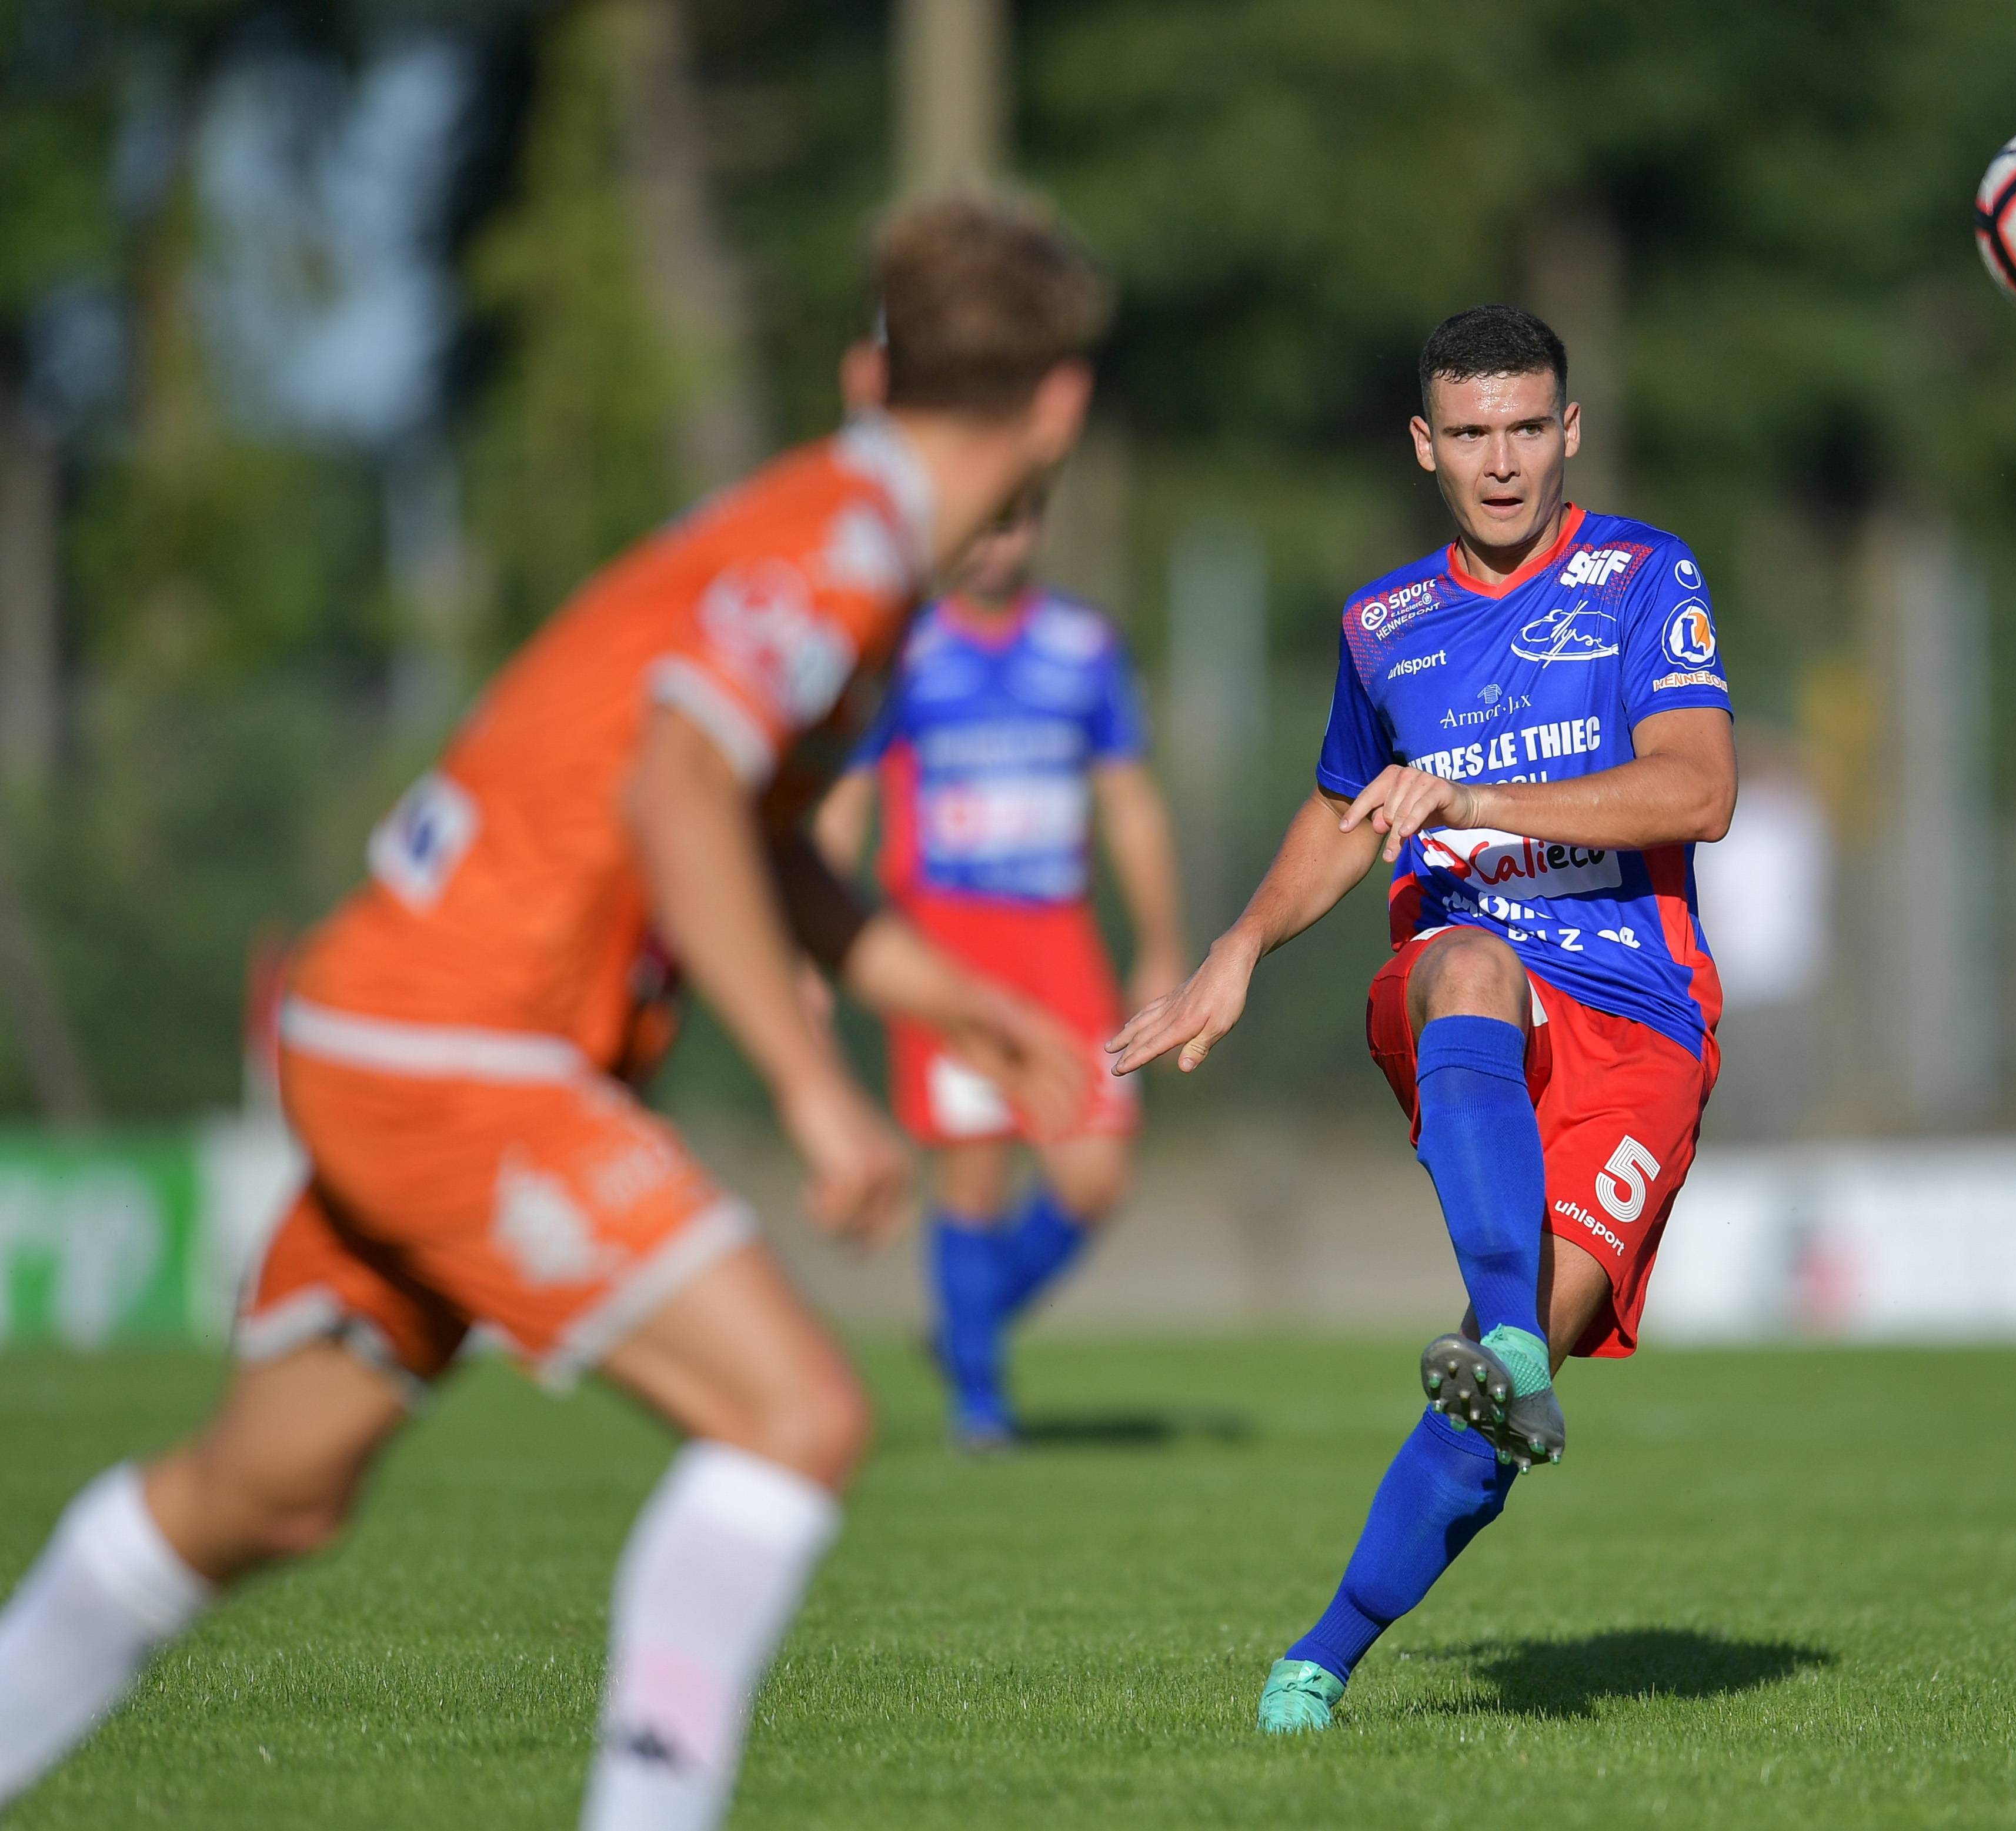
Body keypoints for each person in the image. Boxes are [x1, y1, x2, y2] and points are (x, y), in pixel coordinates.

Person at [0, 198, 1107, 1829]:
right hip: (463, 1046)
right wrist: (812, 1087)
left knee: (269, 1491)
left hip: (389, 1022)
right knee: (795, 1418)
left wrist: (945, 1000)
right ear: (1061, 404)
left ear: (868, 373)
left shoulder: (834, 533)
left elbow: (754, 829)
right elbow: (681, 784)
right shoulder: (849, 548)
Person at [1108, 303, 1736, 1733]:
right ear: (1422, 445)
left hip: (1642, 1023)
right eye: (1468, 434)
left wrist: (1470, 794)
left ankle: (1321, 1654)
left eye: (1523, 429)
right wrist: (1238, 947)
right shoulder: (1381, 624)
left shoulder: (1646, 577)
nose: (1499, 463)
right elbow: (1343, 810)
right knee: (1463, 959)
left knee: (1492, 1410)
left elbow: (1698, 790)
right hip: (1474, 984)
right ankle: (1506, 1336)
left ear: (1567, 430)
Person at [815, 486, 1183, 1449]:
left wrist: (1160, 943)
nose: (992, 543)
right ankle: (980, 1405)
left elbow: (1130, 803)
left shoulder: (1082, 649)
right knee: (972, 1168)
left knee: (1096, 1173)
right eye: (977, 523)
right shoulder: (905, 652)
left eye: (1011, 522)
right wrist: (814, 939)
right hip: (946, 948)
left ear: (1037, 528)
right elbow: (847, 798)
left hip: (1059, 943)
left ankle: (961, 1329)